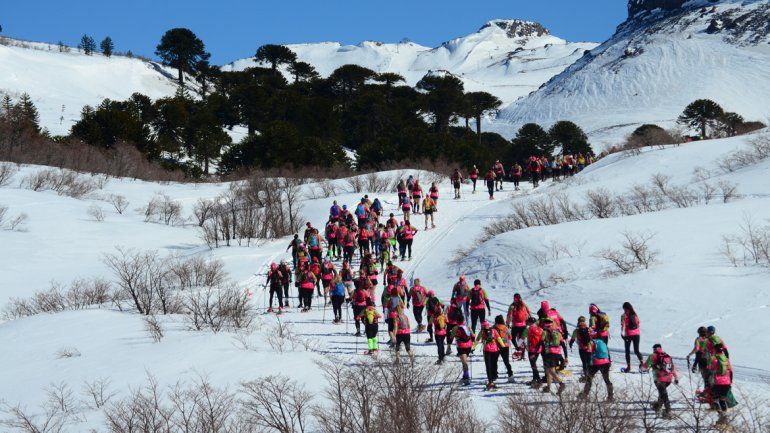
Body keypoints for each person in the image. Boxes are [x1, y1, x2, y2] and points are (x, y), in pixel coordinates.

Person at [646, 344, 679, 418]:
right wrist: (676, 377)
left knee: (664, 395)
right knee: (662, 393)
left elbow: (645, 366)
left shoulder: (652, 356)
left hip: (659, 379)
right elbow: (672, 367)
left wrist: (641, 367)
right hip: (669, 379)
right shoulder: (667, 355)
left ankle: (668, 411)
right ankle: (658, 406)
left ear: (654, 349)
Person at [578, 337, 614, 401]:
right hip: (606, 362)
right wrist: (609, 361)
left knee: (589, 378)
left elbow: (589, 354)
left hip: (596, 362)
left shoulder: (591, 342)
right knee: (607, 379)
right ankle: (610, 397)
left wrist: (587, 365)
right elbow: (608, 353)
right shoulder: (603, 342)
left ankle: (585, 394)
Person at [474, 321, 505, 390]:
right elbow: (499, 338)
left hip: (487, 350)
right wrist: (503, 346)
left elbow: (477, 340)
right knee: (494, 364)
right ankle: (494, 377)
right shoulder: (494, 331)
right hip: (495, 350)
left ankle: (490, 381)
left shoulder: (482, 332)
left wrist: (473, 347)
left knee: (488, 366)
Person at [541, 318, 566, 394]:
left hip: (549, 353)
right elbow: (563, 344)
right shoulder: (557, 332)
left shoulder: (545, 332)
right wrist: (566, 356)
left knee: (550, 370)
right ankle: (548, 387)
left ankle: (561, 383)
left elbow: (541, 342)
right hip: (558, 353)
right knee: (549, 370)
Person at [709, 343, 733, 423]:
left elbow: (709, 368)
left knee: (714, 399)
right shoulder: (726, 359)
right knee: (722, 400)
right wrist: (730, 382)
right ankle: (724, 418)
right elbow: (731, 371)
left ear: (715, 350)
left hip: (718, 382)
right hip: (727, 383)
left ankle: (721, 417)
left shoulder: (714, 358)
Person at [620, 302, 644, 372]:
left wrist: (622, 334)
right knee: (636, 350)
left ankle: (628, 367)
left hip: (628, 335)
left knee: (627, 351)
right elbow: (638, 323)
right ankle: (643, 365)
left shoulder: (623, 315)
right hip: (636, 334)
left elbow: (622, 325)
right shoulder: (635, 314)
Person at [569, 316, 593, 381]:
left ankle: (586, 376)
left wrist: (570, 344)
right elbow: (593, 337)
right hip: (589, 348)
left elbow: (572, 339)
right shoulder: (589, 329)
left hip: (582, 348)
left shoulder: (576, 330)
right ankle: (590, 375)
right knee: (589, 362)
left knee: (584, 363)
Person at [522, 316, 544, 387]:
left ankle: (539, 381)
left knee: (533, 365)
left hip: (531, 349)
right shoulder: (540, 329)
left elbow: (522, 339)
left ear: (529, 322)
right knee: (534, 364)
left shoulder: (527, 329)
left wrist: (518, 346)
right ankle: (534, 380)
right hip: (539, 349)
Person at [453, 318, 475, 385]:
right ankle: (464, 377)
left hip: (461, 346)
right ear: (463, 320)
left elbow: (452, 336)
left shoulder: (455, 328)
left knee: (464, 363)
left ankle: (467, 378)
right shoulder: (467, 327)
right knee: (464, 362)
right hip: (469, 346)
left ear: (457, 321)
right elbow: (473, 336)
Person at [493, 315, 514, 382]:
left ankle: (495, 374)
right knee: (506, 361)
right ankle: (510, 374)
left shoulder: (494, 328)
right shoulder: (506, 328)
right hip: (505, 345)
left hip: (497, 345)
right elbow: (510, 337)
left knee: (494, 360)